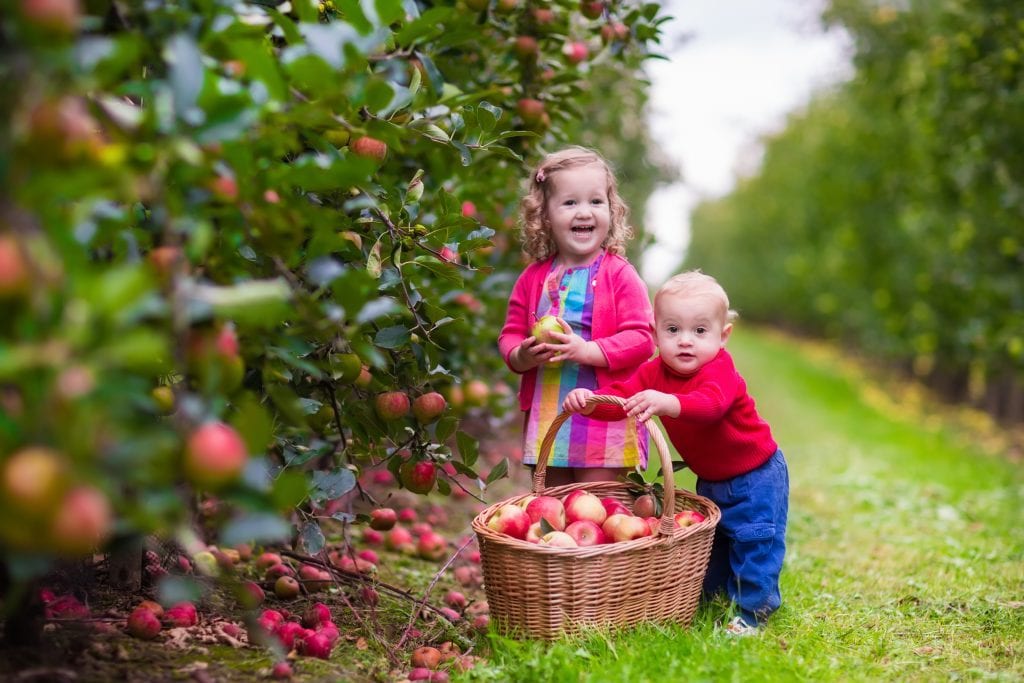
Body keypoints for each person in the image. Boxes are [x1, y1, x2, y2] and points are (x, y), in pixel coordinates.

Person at [562, 271, 788, 635]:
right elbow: (622, 399)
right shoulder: (654, 372)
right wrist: (590, 404)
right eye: (673, 330)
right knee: (715, 544)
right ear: (655, 332)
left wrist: (668, 402)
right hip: (712, 478)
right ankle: (711, 599)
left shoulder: (720, 369)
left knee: (754, 541)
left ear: (722, 336)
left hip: (756, 475)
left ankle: (752, 613)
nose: (685, 342)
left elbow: (710, 405)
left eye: (700, 331)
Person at [497, 146, 655, 487]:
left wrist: (586, 351)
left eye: (596, 202)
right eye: (570, 203)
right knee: (554, 509)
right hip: (549, 414)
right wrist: (522, 355)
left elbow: (643, 339)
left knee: (598, 503)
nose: (584, 212)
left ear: (611, 210)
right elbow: (509, 334)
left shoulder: (619, 274)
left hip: (604, 416)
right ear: (545, 216)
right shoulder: (533, 278)